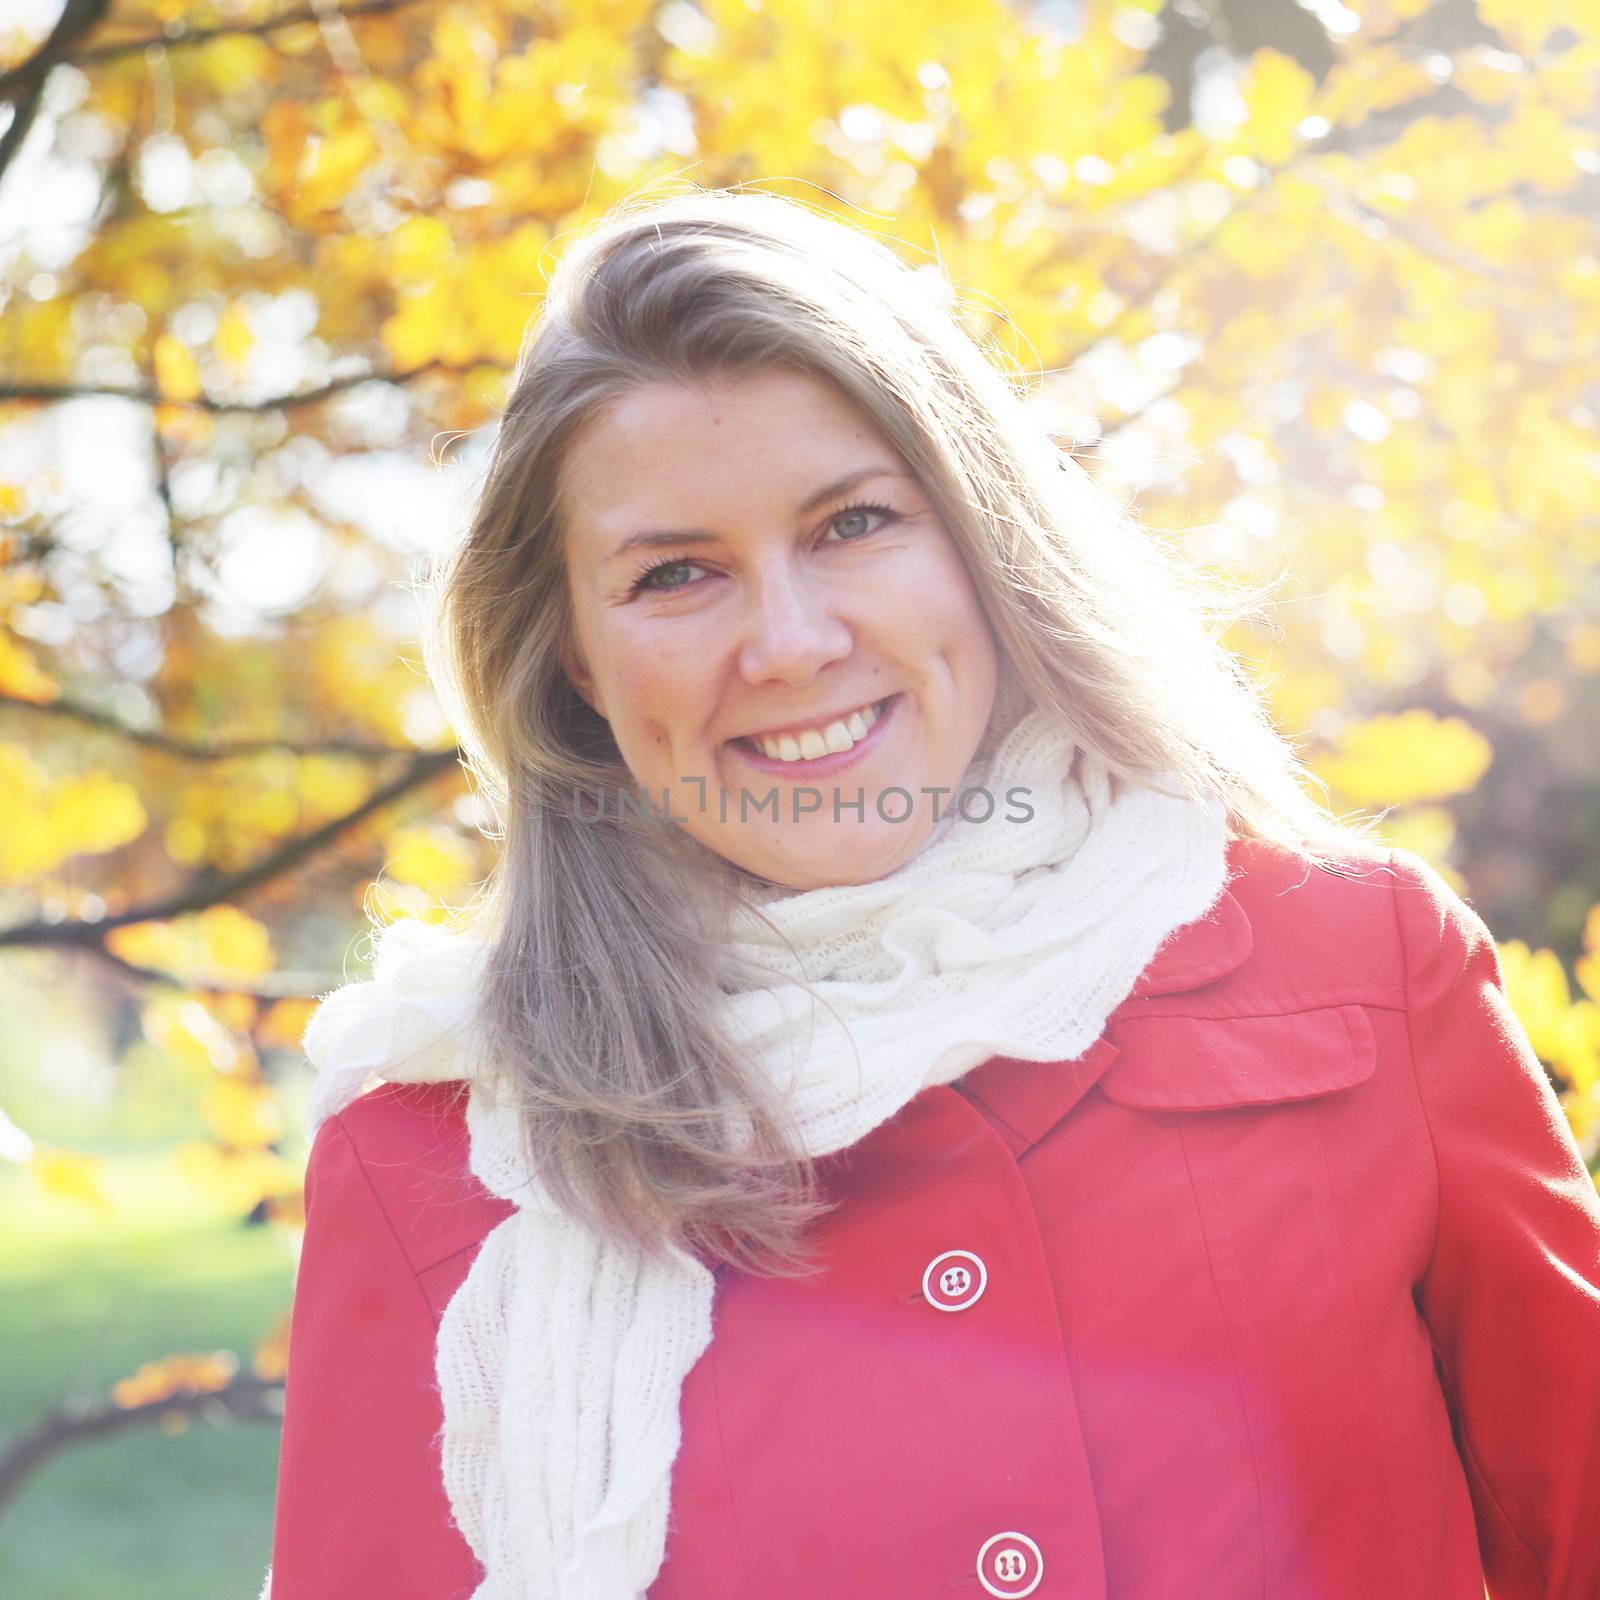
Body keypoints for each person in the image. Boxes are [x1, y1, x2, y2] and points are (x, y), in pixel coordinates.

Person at [259, 187, 1600, 1600]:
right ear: (575, 662)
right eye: (674, 574)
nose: (791, 642)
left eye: (853, 524)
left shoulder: (1362, 965)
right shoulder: (431, 1149)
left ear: (983, 545)